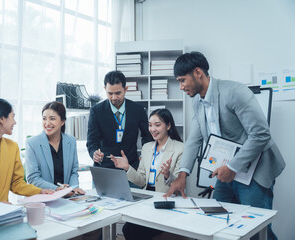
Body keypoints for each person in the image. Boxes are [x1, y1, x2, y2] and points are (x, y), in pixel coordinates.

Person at [164, 52, 286, 240]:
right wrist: (182, 175)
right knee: (216, 224)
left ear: (198, 72)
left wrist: (232, 167)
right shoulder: (197, 101)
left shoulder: (235, 92)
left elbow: (261, 134)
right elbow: (194, 140)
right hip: (227, 170)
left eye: (182, 80)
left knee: (257, 232)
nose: (180, 87)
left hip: (255, 169)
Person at [111, 108, 184, 240]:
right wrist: (127, 168)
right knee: (128, 228)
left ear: (168, 126)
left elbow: (180, 183)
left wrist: (168, 175)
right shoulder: (146, 148)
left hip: (166, 200)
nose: (152, 129)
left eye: (157, 125)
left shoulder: (180, 148)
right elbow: (141, 180)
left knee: (136, 231)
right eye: (150, 125)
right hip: (147, 198)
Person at [87, 70, 152, 171]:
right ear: (105, 89)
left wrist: (145, 157)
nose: (114, 98)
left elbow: (147, 136)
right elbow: (92, 141)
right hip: (104, 168)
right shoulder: (96, 111)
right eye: (110, 93)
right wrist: (94, 153)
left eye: (118, 93)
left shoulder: (138, 110)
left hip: (131, 167)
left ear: (126, 89)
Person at [26, 101, 85, 196]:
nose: (47, 123)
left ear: (62, 121)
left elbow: (73, 172)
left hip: (66, 198)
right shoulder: (32, 143)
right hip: (44, 198)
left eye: (52, 119)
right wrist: (57, 189)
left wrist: (74, 188)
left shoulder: (71, 141)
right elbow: (33, 178)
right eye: (44, 119)